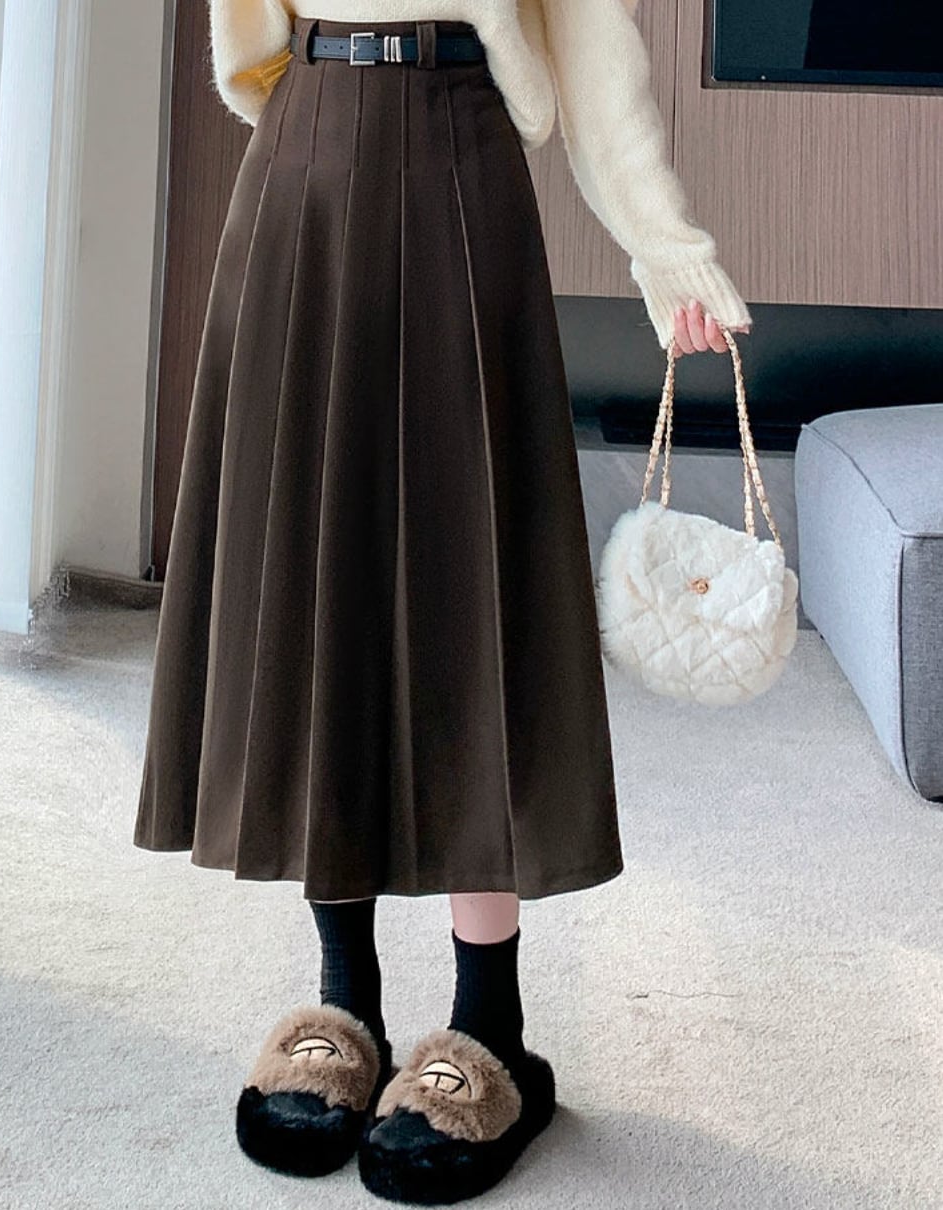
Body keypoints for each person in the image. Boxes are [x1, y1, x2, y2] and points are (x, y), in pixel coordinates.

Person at [133, 1, 751, 1202]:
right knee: (320, 583)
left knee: (474, 598)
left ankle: (489, 1027)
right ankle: (344, 1003)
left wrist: (664, 244)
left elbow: (590, 36)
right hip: (306, 142)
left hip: (459, 141)